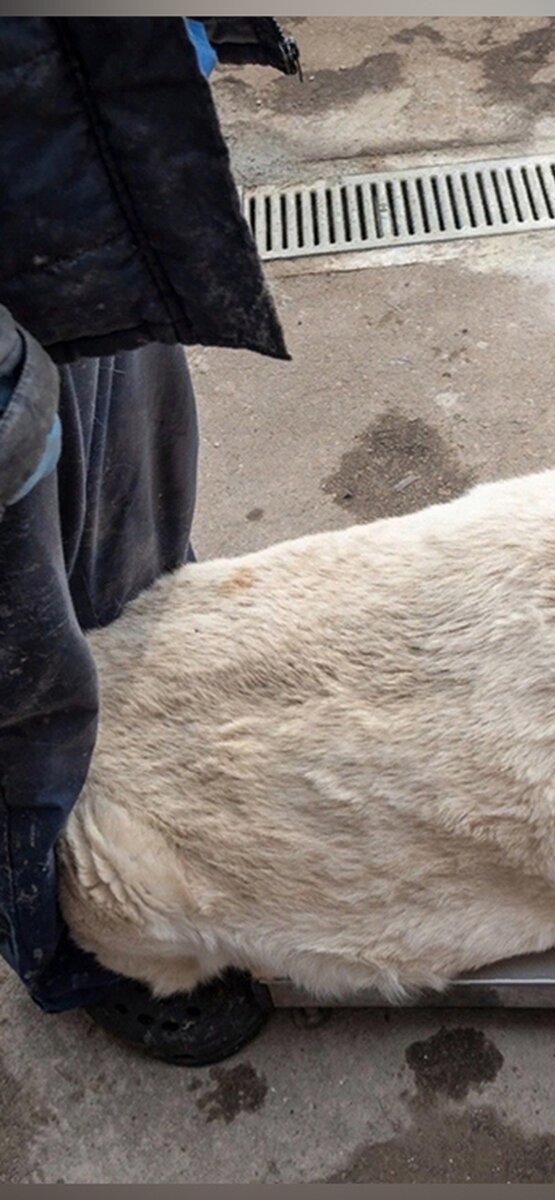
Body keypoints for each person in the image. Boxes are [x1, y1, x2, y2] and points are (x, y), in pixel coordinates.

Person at [0, 16, 300, 1065]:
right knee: (24, 669)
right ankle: (87, 941)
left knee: (136, 542)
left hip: (58, 147)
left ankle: (160, 782)